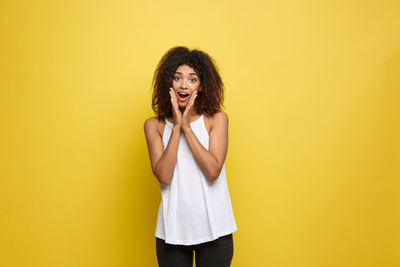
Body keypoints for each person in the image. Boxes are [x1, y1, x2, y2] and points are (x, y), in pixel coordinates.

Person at [144, 46, 238, 267]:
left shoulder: (217, 120)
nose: (184, 84)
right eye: (178, 78)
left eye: (192, 79)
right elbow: (164, 177)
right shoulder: (154, 126)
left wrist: (187, 126)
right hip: (172, 232)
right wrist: (176, 128)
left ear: (202, 85)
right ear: (169, 83)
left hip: (216, 231)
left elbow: (213, 171)